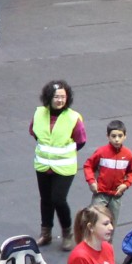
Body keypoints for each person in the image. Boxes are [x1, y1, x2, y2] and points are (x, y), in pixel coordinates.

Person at [30, 80, 86, 248]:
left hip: (64, 167)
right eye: (56, 97)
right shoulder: (39, 114)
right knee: (45, 199)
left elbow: (81, 140)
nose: (60, 100)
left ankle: (67, 233)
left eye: (63, 96)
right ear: (49, 97)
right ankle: (45, 233)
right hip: (42, 165)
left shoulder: (73, 117)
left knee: (58, 199)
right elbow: (34, 131)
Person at [82, 119, 132, 218]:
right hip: (100, 194)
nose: (117, 139)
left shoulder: (128, 154)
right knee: (95, 219)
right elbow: (88, 165)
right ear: (108, 136)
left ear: (125, 136)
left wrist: (126, 184)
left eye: (120, 136)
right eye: (113, 136)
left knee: (112, 222)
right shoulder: (101, 152)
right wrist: (91, 181)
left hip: (116, 195)